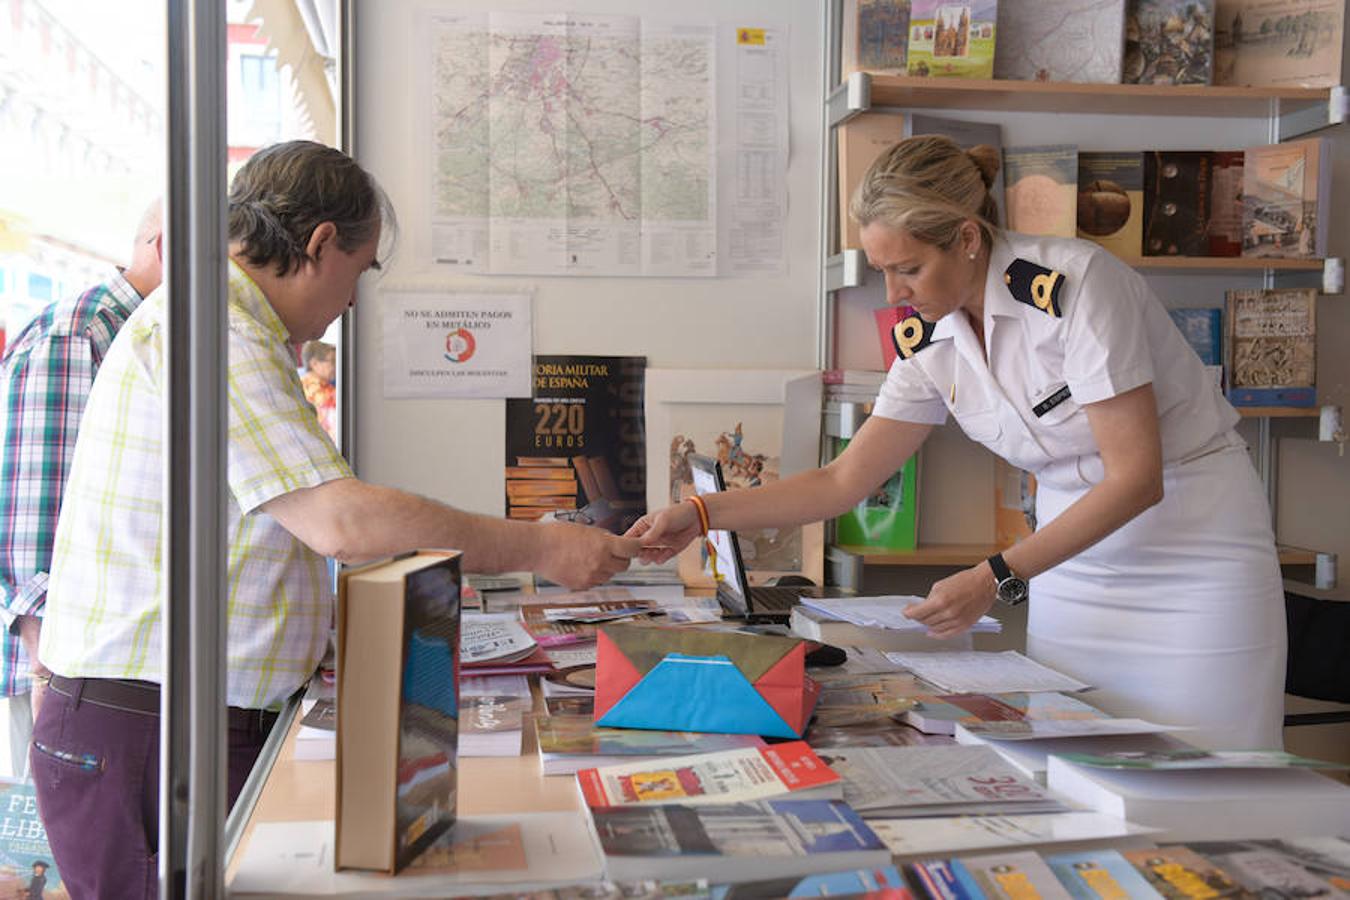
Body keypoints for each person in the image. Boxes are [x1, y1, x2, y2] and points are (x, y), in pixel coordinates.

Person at [33, 140, 639, 899]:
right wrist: (540, 546)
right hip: (147, 730)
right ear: (320, 244)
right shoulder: (214, 329)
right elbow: (341, 520)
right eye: (358, 274)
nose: (351, 304)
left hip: (171, 720)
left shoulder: (234, 329)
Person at [632, 134, 1285, 754]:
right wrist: (699, 516)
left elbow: (1137, 478)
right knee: (1076, 754)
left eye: (909, 268)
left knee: (1210, 766)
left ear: (968, 239)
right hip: (1072, 565)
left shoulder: (1077, 286)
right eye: (882, 270)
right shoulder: (927, 336)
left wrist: (996, 575)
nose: (893, 293)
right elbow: (842, 481)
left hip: (1193, 549)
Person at [0, 201, 163, 780]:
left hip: (94, 668)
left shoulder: (139, 332)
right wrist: (47, 669)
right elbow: (35, 505)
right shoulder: (83, 331)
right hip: (64, 670)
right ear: (169, 248)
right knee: (51, 857)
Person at [299, 339, 337, 438]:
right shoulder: (313, 388)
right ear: (314, 363)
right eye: (333, 361)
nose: (337, 366)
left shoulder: (304, 382)